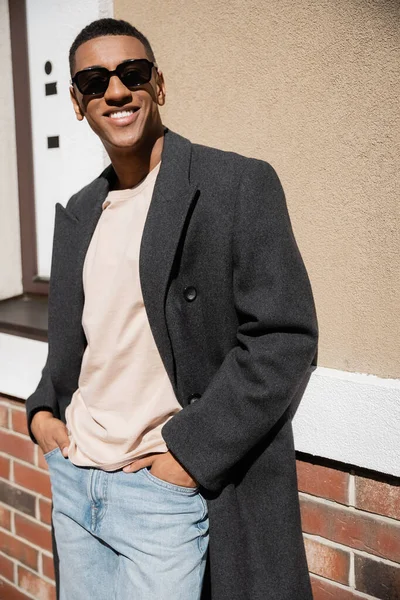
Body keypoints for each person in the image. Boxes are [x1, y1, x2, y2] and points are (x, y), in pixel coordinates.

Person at [25, 18, 318, 600]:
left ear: (158, 84)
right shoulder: (78, 214)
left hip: (168, 489)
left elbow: (284, 337)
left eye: (131, 73)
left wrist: (187, 455)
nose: (115, 90)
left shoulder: (235, 185)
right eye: (94, 80)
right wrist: (42, 414)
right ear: (78, 103)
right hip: (80, 481)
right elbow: (78, 346)